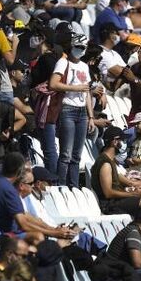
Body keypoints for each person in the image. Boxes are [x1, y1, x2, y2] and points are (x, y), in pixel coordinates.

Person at [49, 34, 93, 188]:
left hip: (82, 112)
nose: (80, 50)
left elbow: (87, 92)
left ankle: (73, 186)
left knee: (76, 155)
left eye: (83, 48)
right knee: (66, 154)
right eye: (78, 47)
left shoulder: (84, 66)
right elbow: (53, 84)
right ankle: (61, 185)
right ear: (72, 46)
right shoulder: (63, 62)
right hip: (67, 109)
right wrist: (75, 88)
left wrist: (91, 116)